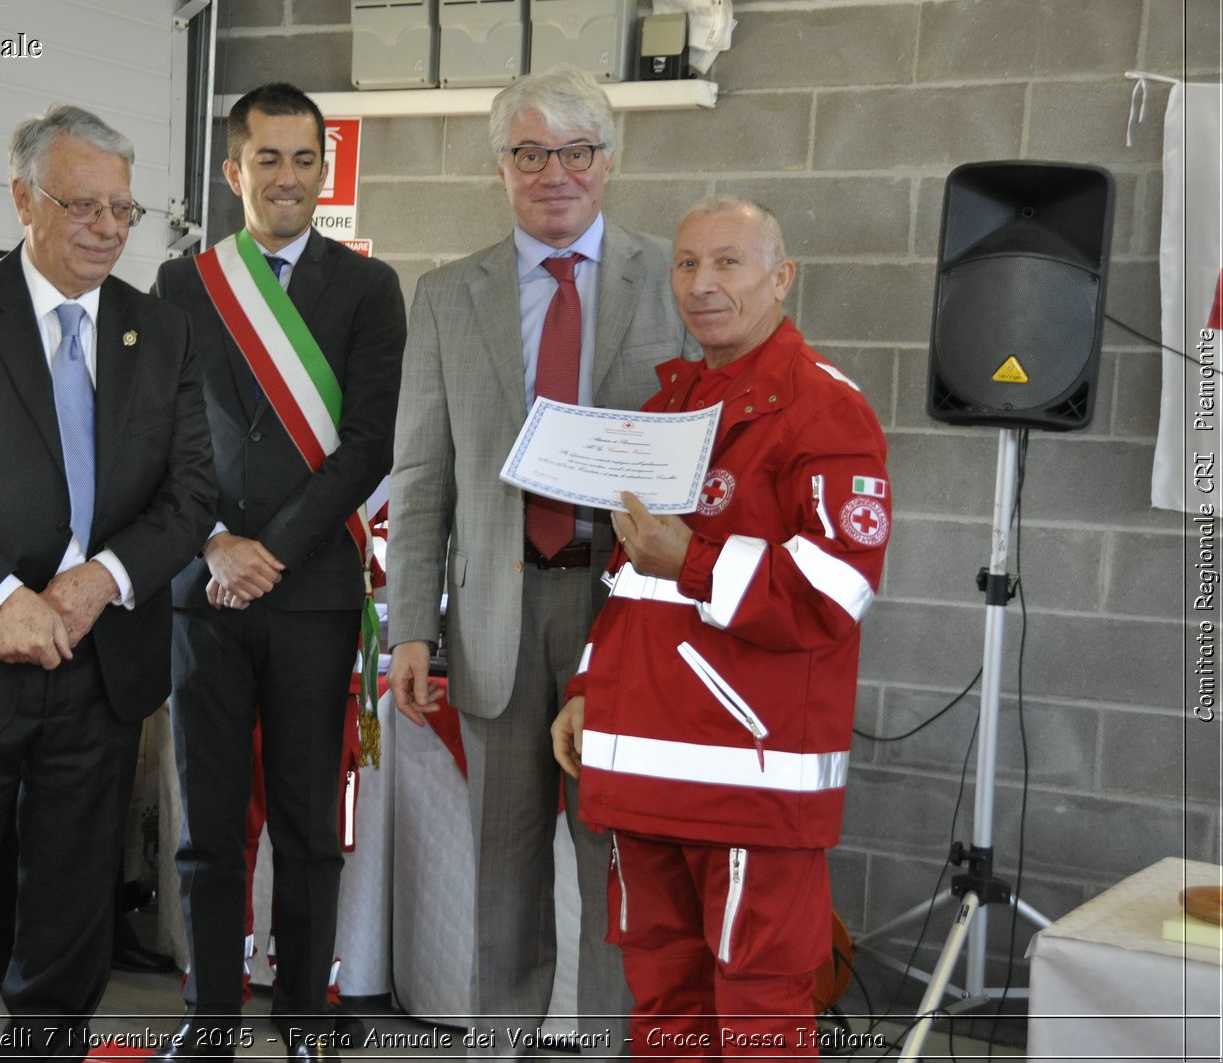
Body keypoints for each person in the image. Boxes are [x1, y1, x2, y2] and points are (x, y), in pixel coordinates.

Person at [0, 103, 215, 1061]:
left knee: (68, 913)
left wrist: (102, 581)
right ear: (24, 198)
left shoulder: (163, 333)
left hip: (99, 673)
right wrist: (2, 600)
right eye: (84, 206)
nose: (108, 228)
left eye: (124, 210)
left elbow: (191, 497)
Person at [384, 67, 695, 1055]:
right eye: (528, 153)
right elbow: (422, 477)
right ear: (501, 167)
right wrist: (410, 629)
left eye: (575, 152)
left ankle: (610, 1044)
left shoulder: (674, 283)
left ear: (609, 162)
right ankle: (498, 1040)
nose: (552, 173)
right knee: (504, 862)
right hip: (493, 622)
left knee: (617, 864)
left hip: (626, 618)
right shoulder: (444, 296)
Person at [551, 197, 892, 1057]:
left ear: (782, 278)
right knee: (663, 997)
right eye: (687, 263)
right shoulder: (673, 402)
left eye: (729, 263)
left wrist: (694, 561)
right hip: (646, 763)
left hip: (752, 781)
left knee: (760, 1008)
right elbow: (634, 581)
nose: (703, 283)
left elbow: (835, 587)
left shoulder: (825, 407)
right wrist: (590, 690)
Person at [151, 82, 406, 1062]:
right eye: (269, 159)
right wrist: (215, 541)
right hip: (203, 588)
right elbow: (160, 437)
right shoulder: (182, 285)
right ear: (233, 170)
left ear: (324, 170)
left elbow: (368, 442)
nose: (288, 176)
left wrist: (272, 551)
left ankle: (305, 1014)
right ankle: (210, 1016)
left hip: (309, 592)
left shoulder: (366, 288)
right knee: (208, 827)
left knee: (307, 821)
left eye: (306, 159)